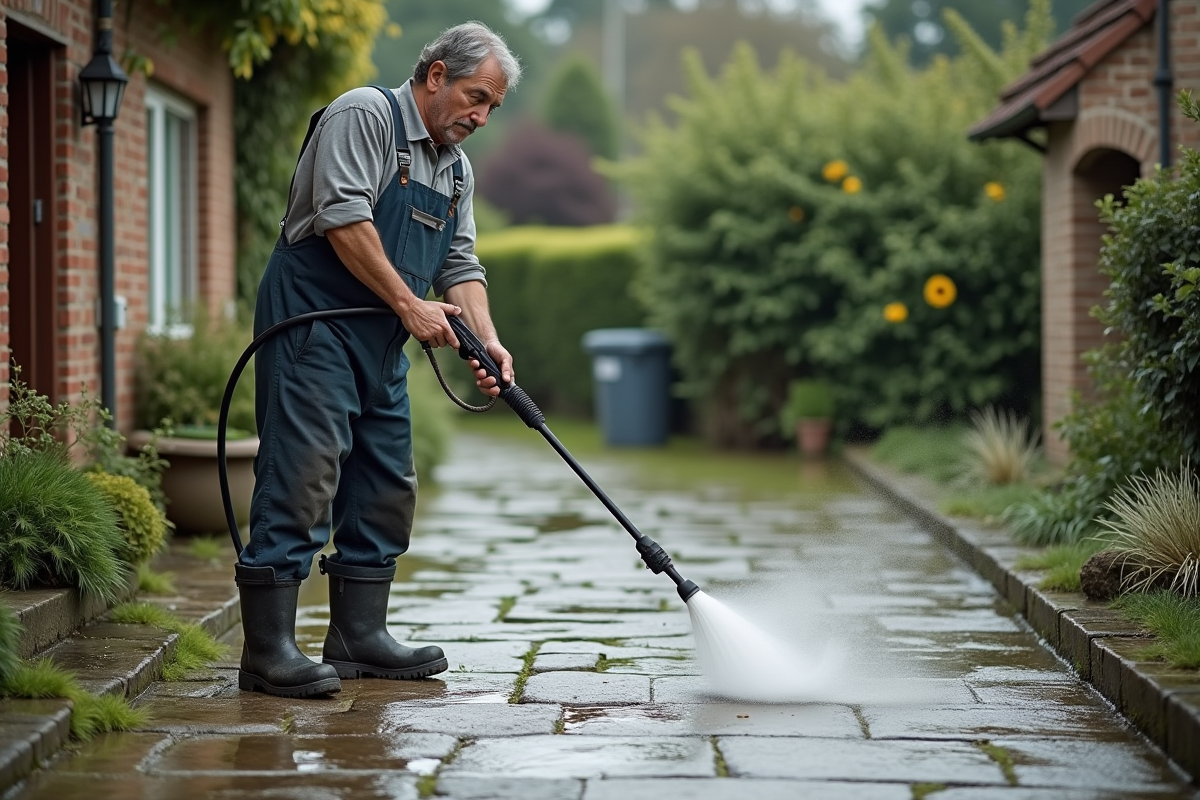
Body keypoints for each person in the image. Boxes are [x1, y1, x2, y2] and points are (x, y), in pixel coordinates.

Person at [235, 22, 521, 698]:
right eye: (476, 97)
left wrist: (486, 339)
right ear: (436, 75)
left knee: (386, 484)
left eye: (492, 106)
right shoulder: (365, 115)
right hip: (313, 326)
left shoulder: (454, 169)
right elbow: (342, 216)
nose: (481, 117)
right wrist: (409, 305)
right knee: (303, 477)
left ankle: (358, 636)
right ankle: (267, 652)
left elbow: (459, 263)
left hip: (382, 341)